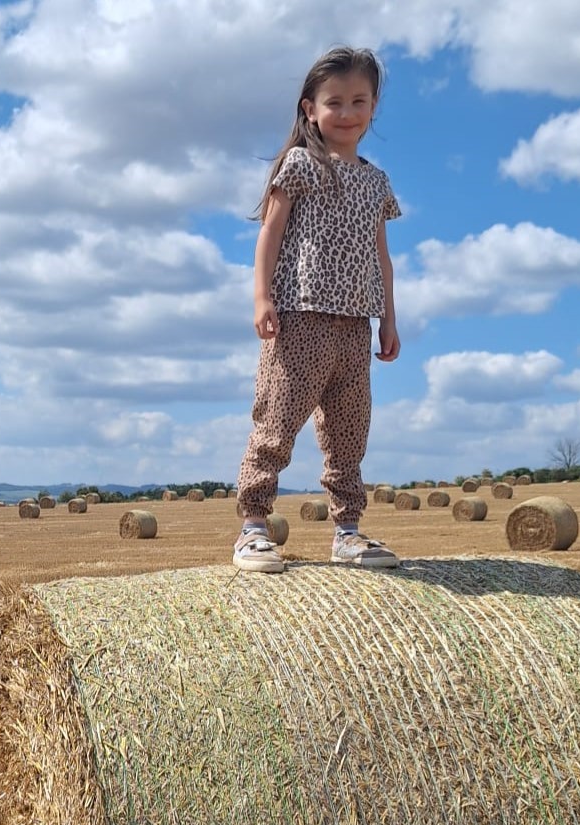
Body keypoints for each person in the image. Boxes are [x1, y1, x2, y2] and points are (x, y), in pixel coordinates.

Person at [233, 46, 402, 573]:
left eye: (359, 101)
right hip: (300, 315)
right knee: (277, 422)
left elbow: (382, 256)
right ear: (310, 109)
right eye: (335, 102)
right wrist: (261, 296)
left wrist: (388, 317)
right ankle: (254, 527)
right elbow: (270, 234)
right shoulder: (300, 164)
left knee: (350, 430)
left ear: (373, 107)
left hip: (355, 324)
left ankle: (347, 531)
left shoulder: (377, 182)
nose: (347, 112)